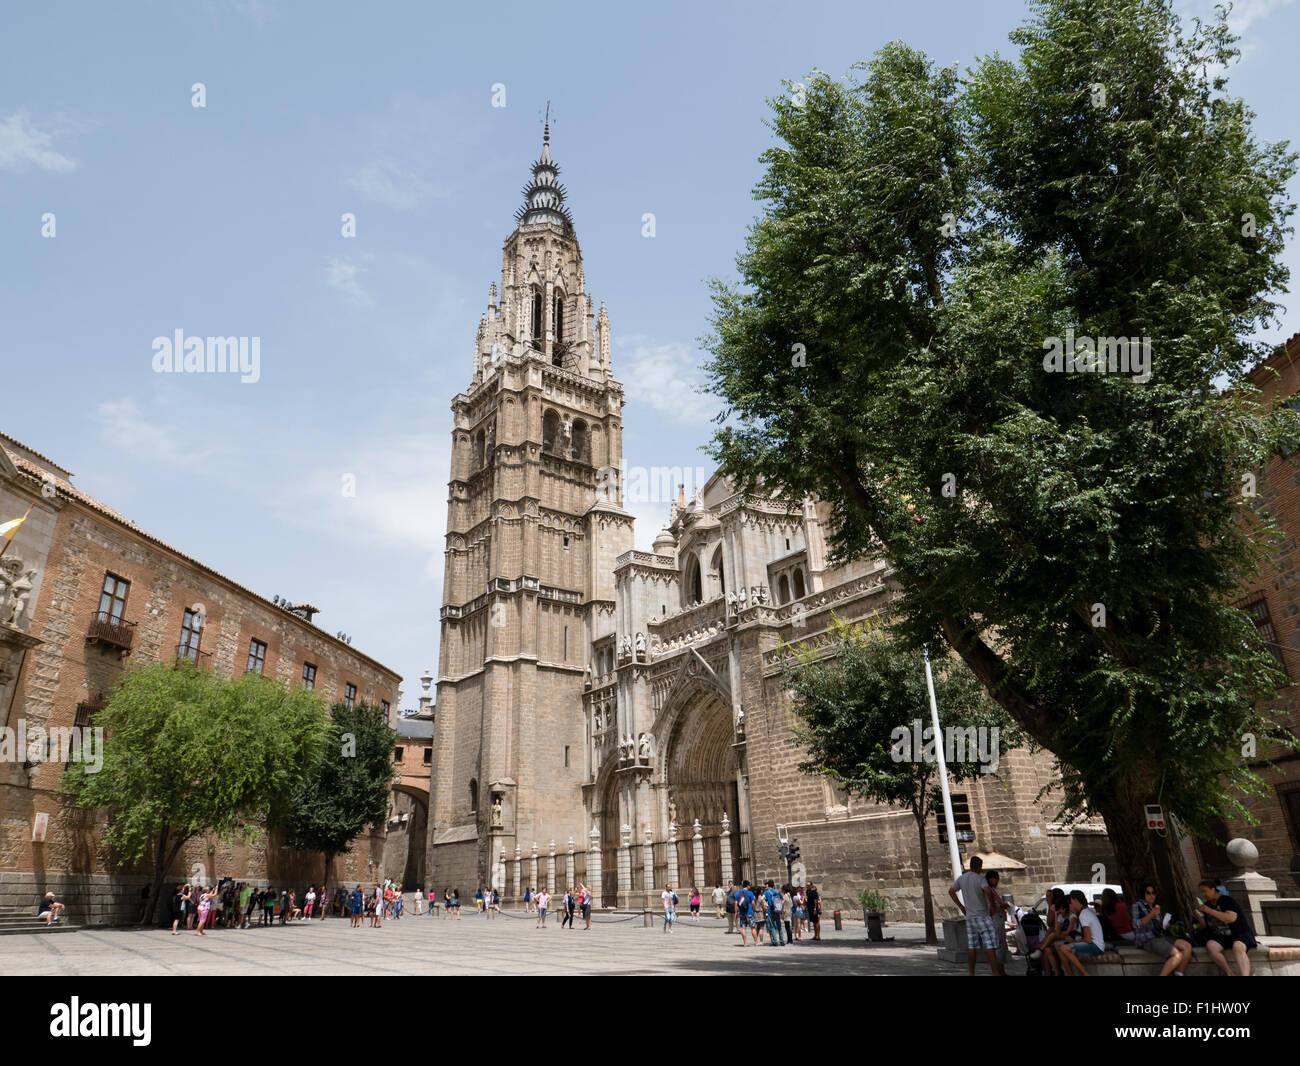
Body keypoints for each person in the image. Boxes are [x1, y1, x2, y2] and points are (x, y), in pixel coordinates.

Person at [948, 857, 1003, 976]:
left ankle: (972, 973)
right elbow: (988, 891)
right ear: (979, 866)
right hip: (982, 915)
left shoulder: (962, 878)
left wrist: (961, 907)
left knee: (972, 946)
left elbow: (951, 891)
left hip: (970, 917)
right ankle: (995, 972)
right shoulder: (980, 879)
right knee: (990, 945)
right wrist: (992, 905)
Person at [1195, 878, 1257, 977]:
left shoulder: (1227, 901)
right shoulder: (1207, 905)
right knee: (1211, 946)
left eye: (1205, 891)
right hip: (1221, 936)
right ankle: (1229, 972)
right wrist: (1199, 916)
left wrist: (1210, 911)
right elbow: (1206, 925)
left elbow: (1231, 918)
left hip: (1239, 933)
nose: (1203, 895)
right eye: (1201, 892)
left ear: (1213, 889)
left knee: (1238, 947)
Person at [1132, 883, 1192, 976]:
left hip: (1160, 936)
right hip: (1148, 939)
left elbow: (1157, 925)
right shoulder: (1137, 905)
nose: (1151, 896)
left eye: (1153, 893)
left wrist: (1164, 925)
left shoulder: (1156, 907)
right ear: (1143, 894)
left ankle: (1178, 973)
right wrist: (1151, 915)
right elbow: (1136, 924)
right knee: (1177, 955)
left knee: (1187, 946)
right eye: (1148, 893)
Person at [1053, 889, 1106, 975]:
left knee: (1064, 948)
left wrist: (1074, 942)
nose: (1070, 904)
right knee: (1058, 945)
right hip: (1094, 944)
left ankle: (1085, 974)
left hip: (1096, 946)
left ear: (1075, 900)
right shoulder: (1085, 912)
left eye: (1071, 901)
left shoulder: (1083, 914)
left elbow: (1088, 940)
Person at [762, 880, 786, 946]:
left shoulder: (766, 892)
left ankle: (775, 941)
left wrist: (764, 904)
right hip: (777, 910)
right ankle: (781, 941)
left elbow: (761, 898)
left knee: (772, 926)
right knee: (779, 926)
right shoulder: (777, 892)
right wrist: (780, 905)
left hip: (770, 911)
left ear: (768, 885)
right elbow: (784, 899)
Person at [736, 881, 757, 947]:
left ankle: (745, 943)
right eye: (749, 885)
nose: (750, 886)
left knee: (743, 928)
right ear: (747, 885)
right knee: (753, 927)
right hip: (749, 912)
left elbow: (736, 904)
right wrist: (754, 910)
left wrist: (737, 912)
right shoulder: (750, 893)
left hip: (742, 913)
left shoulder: (738, 893)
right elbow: (753, 903)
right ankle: (756, 942)